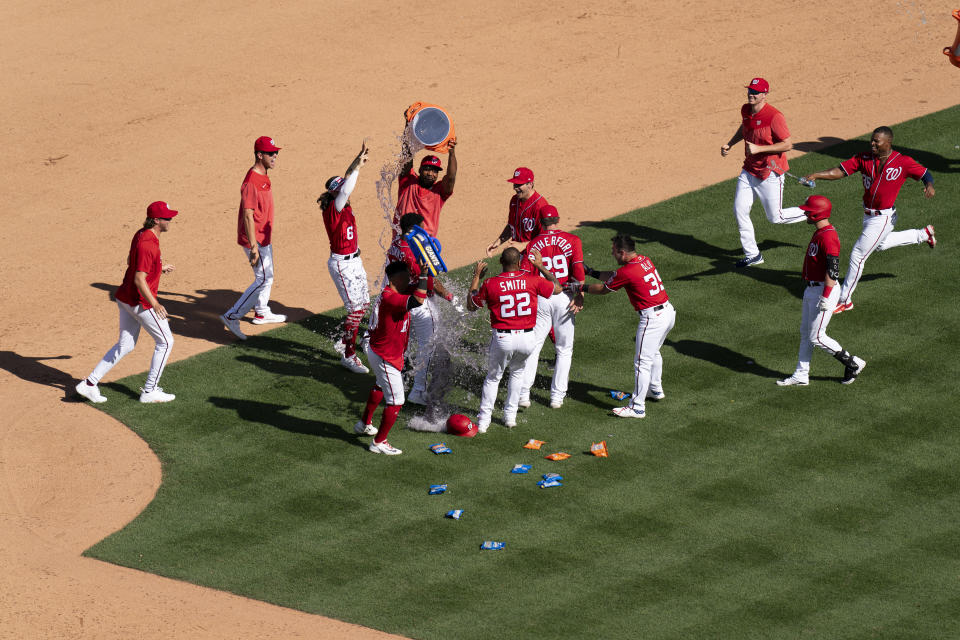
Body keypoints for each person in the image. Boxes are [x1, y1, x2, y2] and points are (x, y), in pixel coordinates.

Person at [797, 126, 936, 314]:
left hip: (884, 217)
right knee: (879, 244)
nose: (872, 143)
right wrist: (816, 175)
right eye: (871, 140)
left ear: (888, 142)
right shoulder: (864, 158)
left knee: (857, 255)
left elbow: (926, 174)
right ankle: (923, 234)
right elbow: (840, 171)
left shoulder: (903, 162)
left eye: (876, 141)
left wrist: (929, 185)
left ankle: (844, 300)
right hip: (868, 216)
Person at [76, 201, 179, 404]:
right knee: (166, 342)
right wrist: (156, 304)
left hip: (125, 298)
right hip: (140, 302)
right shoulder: (148, 243)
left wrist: (158, 267)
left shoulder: (142, 234)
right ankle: (149, 391)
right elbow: (139, 279)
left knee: (125, 345)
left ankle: (89, 384)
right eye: (167, 218)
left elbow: (131, 261)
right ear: (156, 220)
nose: (171, 220)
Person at [571, 235, 676, 418]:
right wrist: (592, 271)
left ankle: (637, 407)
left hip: (652, 319)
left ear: (622, 252)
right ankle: (655, 389)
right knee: (654, 352)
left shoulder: (627, 272)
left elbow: (604, 289)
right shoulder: (644, 260)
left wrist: (580, 288)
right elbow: (614, 276)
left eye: (614, 251)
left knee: (641, 362)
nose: (612, 254)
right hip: (667, 312)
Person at [776, 195, 867, 386]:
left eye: (808, 211)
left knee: (816, 336)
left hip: (824, 291)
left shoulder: (828, 236)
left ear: (817, 214)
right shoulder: (821, 232)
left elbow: (832, 271)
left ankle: (852, 363)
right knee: (805, 333)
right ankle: (801, 374)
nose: (805, 213)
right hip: (812, 289)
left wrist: (826, 296)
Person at [468, 248, 560, 432]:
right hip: (527, 338)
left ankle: (484, 421)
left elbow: (471, 305)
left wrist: (476, 276)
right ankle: (510, 417)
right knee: (517, 374)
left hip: (503, 338)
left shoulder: (491, 283)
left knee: (493, 378)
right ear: (519, 263)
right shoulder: (532, 280)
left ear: (501, 261)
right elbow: (557, 287)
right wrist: (540, 266)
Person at [720, 78, 807, 267]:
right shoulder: (745, 110)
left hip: (770, 172)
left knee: (775, 217)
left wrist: (759, 149)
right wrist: (730, 143)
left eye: (756, 92)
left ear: (765, 94)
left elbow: (787, 144)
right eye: (750, 90)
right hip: (749, 170)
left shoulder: (774, 117)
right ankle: (753, 255)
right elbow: (745, 128)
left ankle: (811, 212)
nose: (751, 94)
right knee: (739, 210)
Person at [354, 261, 429, 455]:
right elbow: (417, 301)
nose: (409, 279)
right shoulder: (390, 297)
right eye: (406, 276)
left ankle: (364, 423)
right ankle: (379, 442)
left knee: (380, 384)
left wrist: (426, 275)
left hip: (381, 350)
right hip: (385, 356)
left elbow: (423, 289)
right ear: (396, 278)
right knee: (396, 400)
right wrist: (423, 276)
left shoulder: (395, 291)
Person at [386, 212, 458, 404]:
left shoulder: (395, 245)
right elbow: (427, 281)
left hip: (401, 303)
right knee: (427, 347)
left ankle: (399, 384)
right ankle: (417, 391)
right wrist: (450, 297)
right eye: (421, 228)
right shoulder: (414, 251)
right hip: (420, 304)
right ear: (415, 229)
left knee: (406, 346)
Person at [517, 209, 585, 409]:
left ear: (541, 222)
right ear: (558, 220)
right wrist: (580, 294)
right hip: (565, 297)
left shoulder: (533, 244)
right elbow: (579, 272)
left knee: (535, 345)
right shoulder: (573, 240)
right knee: (564, 349)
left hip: (542, 296)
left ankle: (523, 394)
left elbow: (525, 275)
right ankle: (557, 397)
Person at [221, 136, 286, 340]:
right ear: (260, 155)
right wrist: (253, 247)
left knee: (269, 275)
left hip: (263, 236)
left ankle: (261, 311)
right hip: (255, 238)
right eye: (270, 153)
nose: (275, 156)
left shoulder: (263, 175)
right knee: (263, 278)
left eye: (275, 152)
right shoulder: (251, 181)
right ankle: (233, 315)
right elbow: (248, 214)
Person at [319, 142, 373, 374]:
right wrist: (358, 170)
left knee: (365, 304)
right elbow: (347, 186)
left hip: (355, 261)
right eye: (340, 189)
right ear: (335, 193)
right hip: (342, 265)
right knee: (355, 310)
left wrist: (357, 160)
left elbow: (347, 177)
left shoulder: (344, 204)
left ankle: (344, 341)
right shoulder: (334, 208)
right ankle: (349, 356)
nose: (345, 191)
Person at [394, 136, 458, 237]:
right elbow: (407, 157)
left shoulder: (439, 192)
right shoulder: (408, 182)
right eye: (427, 169)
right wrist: (409, 129)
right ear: (419, 170)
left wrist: (452, 153)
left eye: (434, 171)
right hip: (402, 242)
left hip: (426, 245)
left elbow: (451, 177)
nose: (430, 174)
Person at [486, 167, 555, 256]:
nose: (515, 188)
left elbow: (547, 238)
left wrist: (523, 245)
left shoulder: (541, 206)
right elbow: (512, 226)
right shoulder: (514, 200)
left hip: (535, 256)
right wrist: (498, 242)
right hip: (516, 255)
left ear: (530, 184)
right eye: (515, 184)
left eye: (519, 185)